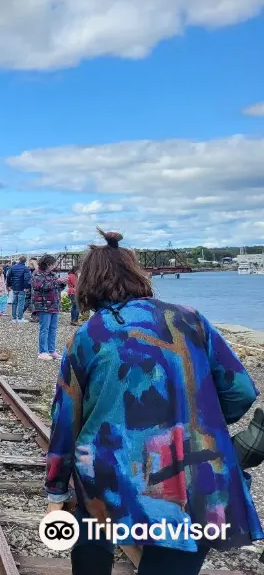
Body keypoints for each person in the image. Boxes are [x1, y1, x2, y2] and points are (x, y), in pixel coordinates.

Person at [45, 229, 262, 575]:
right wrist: (198, 422)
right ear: (137, 275)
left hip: (108, 477)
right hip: (192, 476)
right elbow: (242, 392)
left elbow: (65, 421)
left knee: (91, 535)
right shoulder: (190, 318)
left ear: (88, 285)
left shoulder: (89, 335)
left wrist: (56, 493)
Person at [31, 254, 62, 360]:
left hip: (54, 305)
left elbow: (56, 287)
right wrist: (57, 282)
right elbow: (41, 286)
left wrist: (62, 283)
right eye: (53, 264)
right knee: (44, 328)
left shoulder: (52, 275)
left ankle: (51, 350)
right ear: (48, 264)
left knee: (53, 328)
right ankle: (43, 351)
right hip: (43, 305)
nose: (54, 266)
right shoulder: (37, 274)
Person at [6, 256, 31, 323]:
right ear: (25, 261)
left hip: (14, 287)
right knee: (21, 303)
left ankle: (14, 318)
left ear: (19, 260)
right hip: (22, 287)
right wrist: (27, 287)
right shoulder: (25, 268)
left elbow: (8, 276)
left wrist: (9, 285)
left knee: (14, 303)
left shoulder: (13, 267)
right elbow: (27, 279)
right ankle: (20, 318)